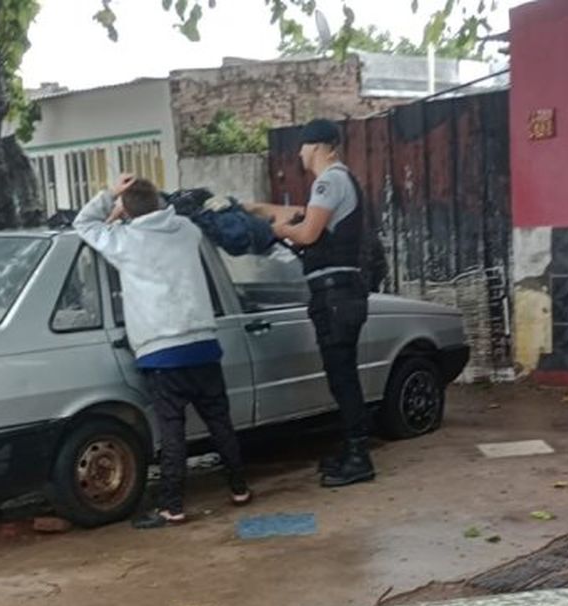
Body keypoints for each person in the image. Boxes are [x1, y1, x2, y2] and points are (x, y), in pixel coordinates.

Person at [74, 174, 251, 528]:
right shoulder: (186, 230)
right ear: (158, 203)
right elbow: (166, 210)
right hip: (202, 344)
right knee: (220, 422)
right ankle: (239, 488)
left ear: (125, 211)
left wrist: (111, 196)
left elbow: (84, 223)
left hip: (161, 353)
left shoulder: (123, 241)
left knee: (172, 432)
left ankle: (172, 505)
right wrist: (135, 201)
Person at [248, 118, 375, 488]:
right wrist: (254, 208)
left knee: (342, 377)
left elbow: (305, 233)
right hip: (340, 293)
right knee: (342, 375)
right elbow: (302, 215)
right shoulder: (338, 181)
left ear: (318, 146)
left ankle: (358, 457)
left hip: (335, 295)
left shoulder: (329, 180)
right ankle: (352, 449)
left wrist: (270, 230)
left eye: (303, 147)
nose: (299, 153)